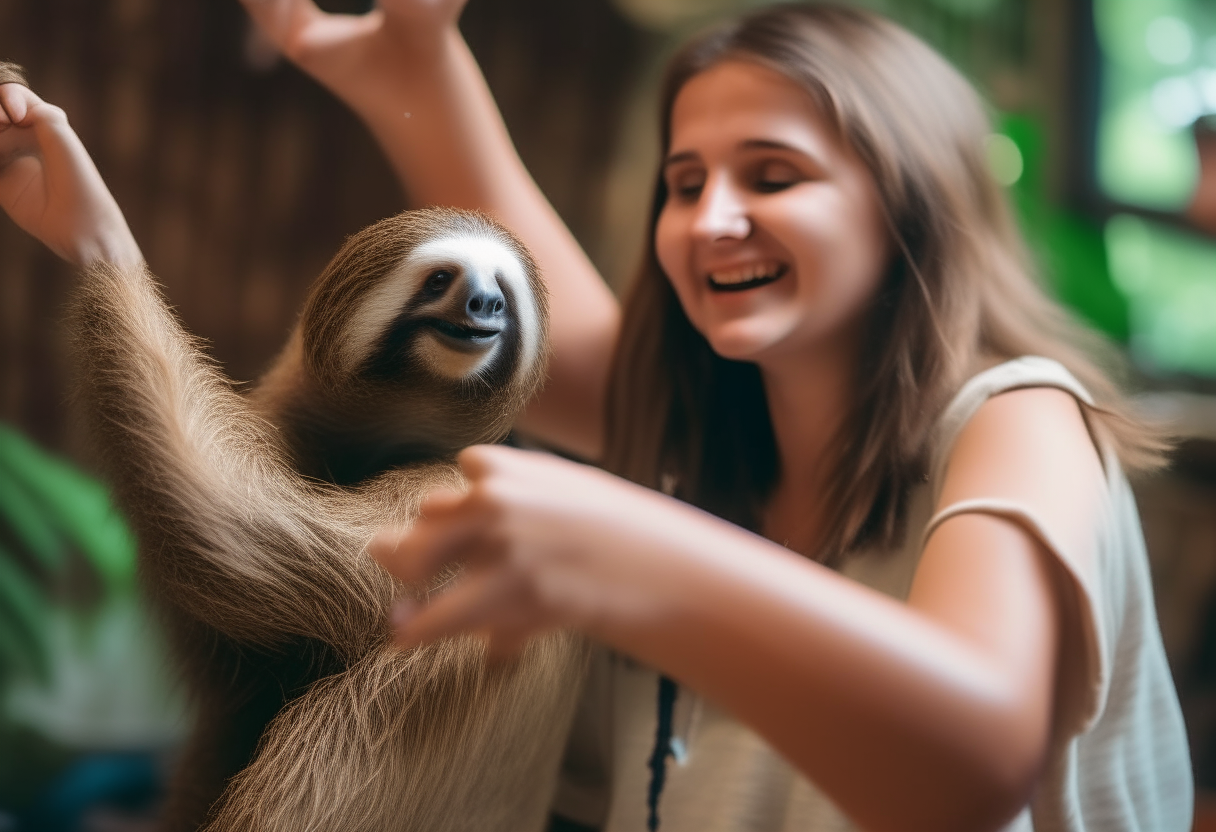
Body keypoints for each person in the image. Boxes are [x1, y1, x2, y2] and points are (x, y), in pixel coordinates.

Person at [0, 2, 1192, 830]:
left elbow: (971, 762)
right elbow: (512, 308)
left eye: (771, 175)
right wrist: (410, 64)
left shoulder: (1023, 421)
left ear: (910, 211)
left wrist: (624, 551)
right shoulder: (706, 437)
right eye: (685, 183)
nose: (712, 216)